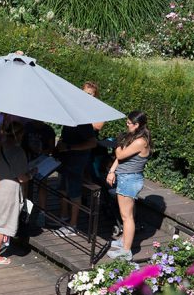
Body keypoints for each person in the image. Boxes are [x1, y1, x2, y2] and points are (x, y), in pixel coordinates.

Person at [53, 82, 102, 235]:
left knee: (74, 190)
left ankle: (72, 225)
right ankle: (63, 216)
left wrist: (69, 148)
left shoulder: (83, 122)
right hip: (65, 157)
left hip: (77, 159)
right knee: (62, 187)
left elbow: (92, 142)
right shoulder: (72, 116)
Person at [106, 110, 150, 259]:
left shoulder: (140, 141)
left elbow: (119, 154)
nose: (127, 124)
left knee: (127, 217)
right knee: (127, 214)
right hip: (126, 178)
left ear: (137, 124)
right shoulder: (133, 137)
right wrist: (111, 171)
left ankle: (126, 251)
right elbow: (121, 158)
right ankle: (123, 240)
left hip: (130, 180)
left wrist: (118, 142)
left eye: (129, 123)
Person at [0, 120, 31, 267]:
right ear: (20, 135)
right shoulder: (17, 151)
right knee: (2, 226)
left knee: (0, 221)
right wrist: (32, 174)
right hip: (8, 190)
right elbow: (21, 177)